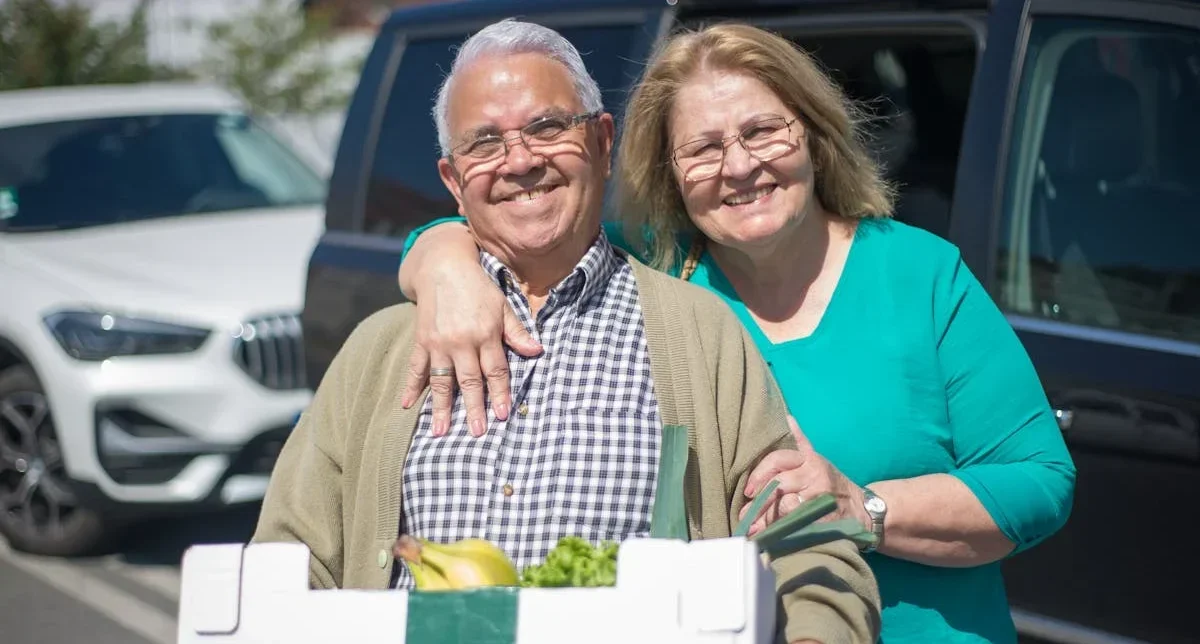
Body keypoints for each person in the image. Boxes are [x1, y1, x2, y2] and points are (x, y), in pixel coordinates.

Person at [396, 21, 1077, 644]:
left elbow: (1040, 482)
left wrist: (861, 505)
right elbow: (523, 219)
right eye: (703, 148)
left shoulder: (919, 274)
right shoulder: (653, 273)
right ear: (669, 172)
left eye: (762, 132)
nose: (740, 166)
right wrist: (443, 263)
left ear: (811, 131)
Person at [252, 19, 882, 644]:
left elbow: (805, 543)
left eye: (548, 127)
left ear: (604, 142)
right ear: (453, 181)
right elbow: (289, 560)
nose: (520, 160)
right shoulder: (381, 351)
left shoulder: (699, 333)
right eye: (485, 143)